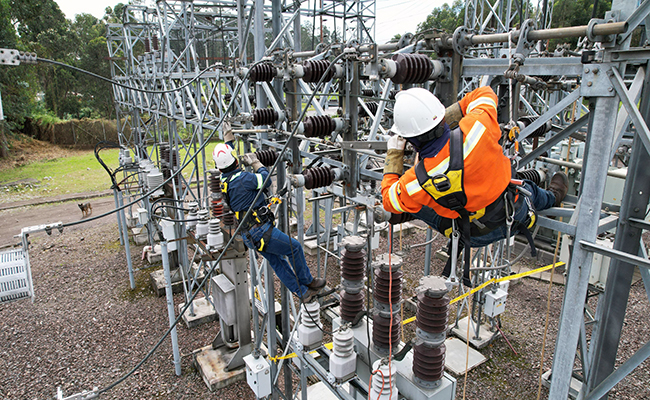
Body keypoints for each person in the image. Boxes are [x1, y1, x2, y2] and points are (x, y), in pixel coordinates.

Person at [381, 86, 568, 285]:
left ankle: (400, 215)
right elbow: (486, 93)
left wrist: (394, 154)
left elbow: (387, 199)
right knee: (528, 189)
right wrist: (448, 115)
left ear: (410, 139)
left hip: (472, 233)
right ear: (440, 115)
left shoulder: (416, 181)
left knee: (417, 203)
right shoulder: (479, 124)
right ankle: (553, 196)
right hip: (514, 212)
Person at [213, 131, 325, 302]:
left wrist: (229, 142)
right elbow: (265, 180)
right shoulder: (243, 179)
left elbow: (226, 160)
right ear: (236, 161)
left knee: (278, 262)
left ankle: (302, 292)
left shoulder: (224, 180)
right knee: (294, 248)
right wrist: (257, 163)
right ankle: (308, 282)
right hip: (261, 232)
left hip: (249, 234)